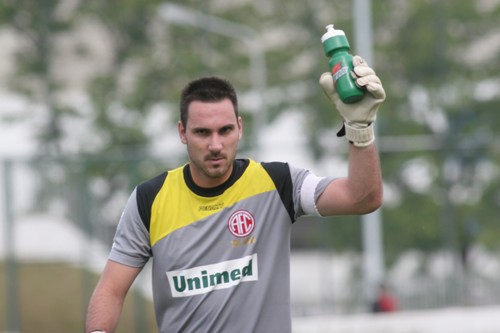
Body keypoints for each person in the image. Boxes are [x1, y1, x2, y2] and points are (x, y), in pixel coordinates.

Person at [85, 55, 386, 333]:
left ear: (239, 128)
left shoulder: (278, 182)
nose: (215, 144)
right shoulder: (149, 200)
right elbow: (111, 290)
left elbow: (362, 198)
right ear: (182, 132)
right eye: (203, 132)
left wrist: (359, 128)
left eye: (225, 130)